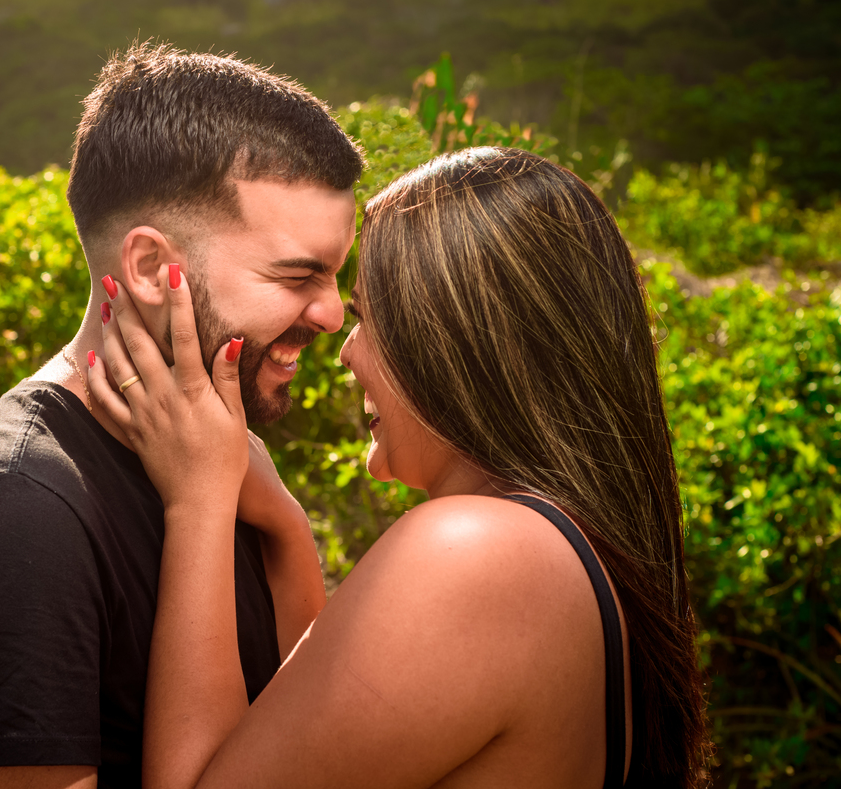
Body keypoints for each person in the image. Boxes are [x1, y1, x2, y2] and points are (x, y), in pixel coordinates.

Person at [88, 147, 712, 788]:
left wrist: (198, 501)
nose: (346, 351)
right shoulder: (560, 549)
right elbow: (311, 732)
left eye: (366, 317)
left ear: (454, 340)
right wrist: (286, 526)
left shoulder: (476, 553)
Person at [0, 43, 364, 788]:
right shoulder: (9, 513)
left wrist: (283, 522)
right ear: (145, 268)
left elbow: (307, 748)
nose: (332, 313)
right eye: (298, 275)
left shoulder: (207, 448)